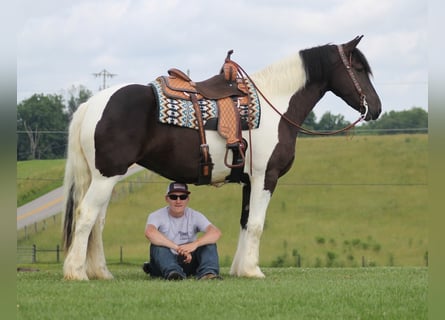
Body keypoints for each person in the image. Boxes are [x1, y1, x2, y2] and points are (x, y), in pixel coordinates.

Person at [143, 182, 222, 280]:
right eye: (173, 197)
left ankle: (208, 274)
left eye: (183, 197)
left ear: (188, 199)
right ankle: (173, 274)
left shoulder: (195, 215)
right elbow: (150, 232)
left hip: (189, 261)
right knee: (157, 246)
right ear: (167, 199)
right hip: (164, 262)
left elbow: (215, 232)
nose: (178, 201)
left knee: (209, 243)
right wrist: (177, 248)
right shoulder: (156, 215)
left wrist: (195, 244)